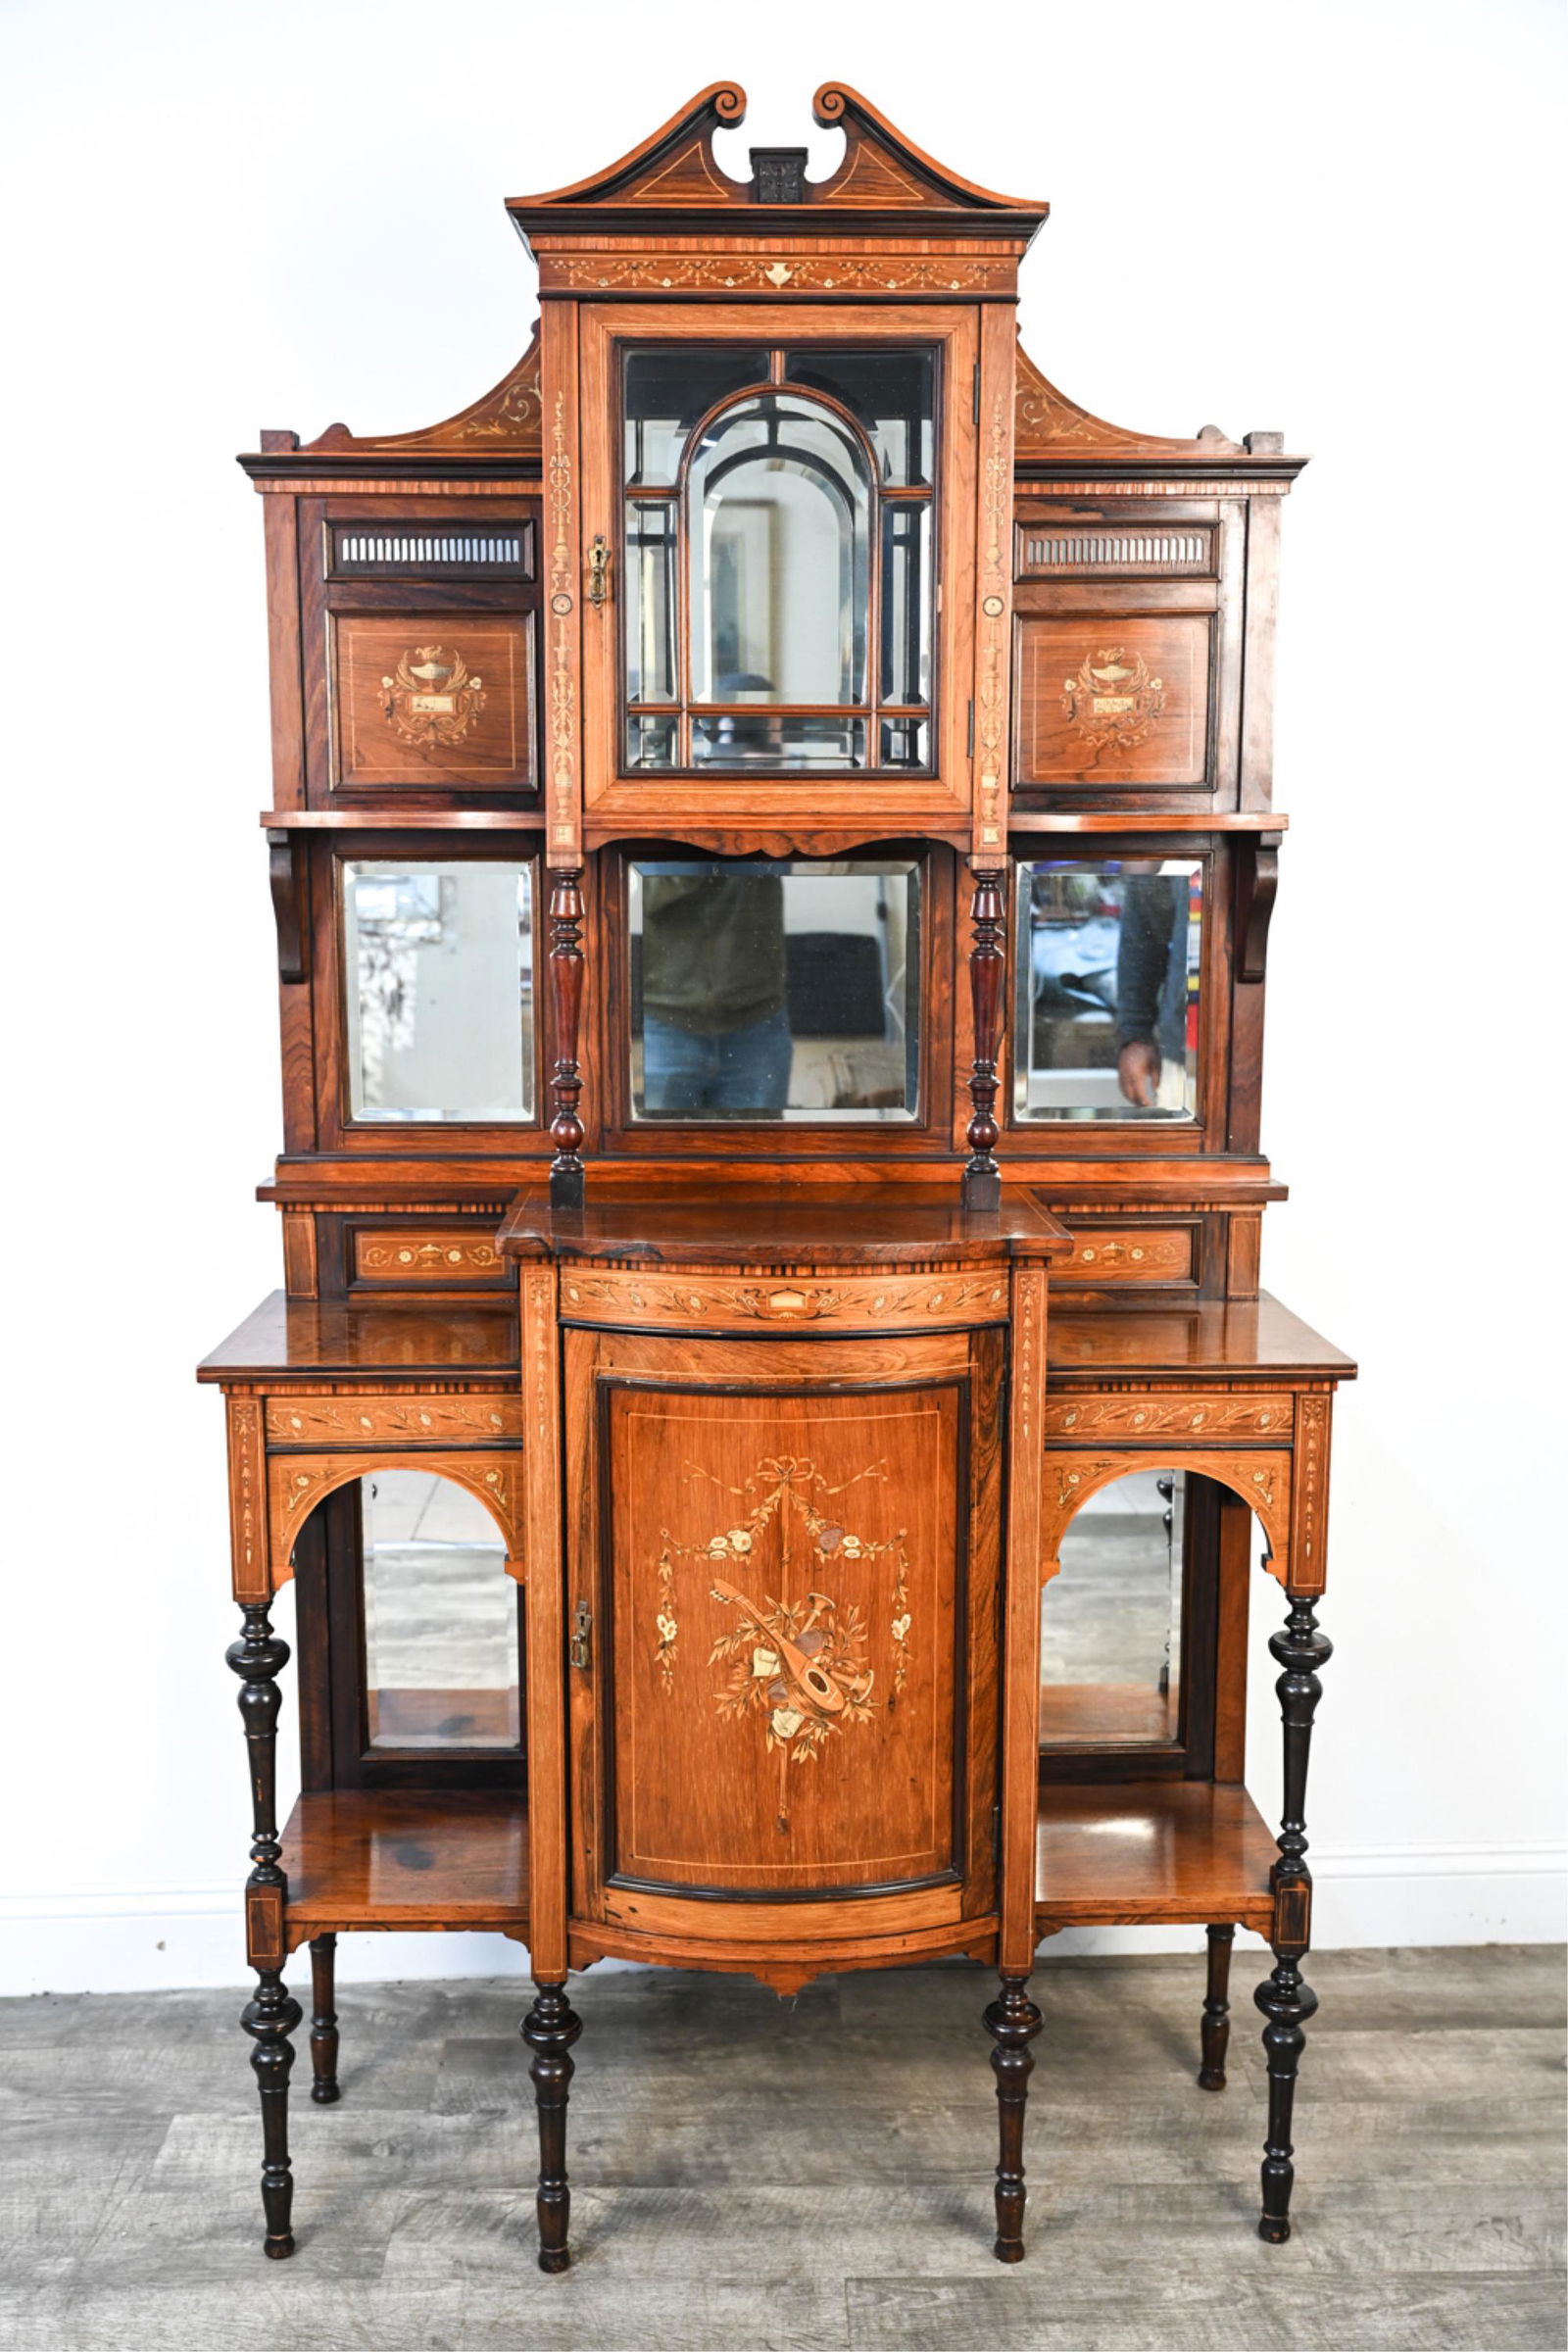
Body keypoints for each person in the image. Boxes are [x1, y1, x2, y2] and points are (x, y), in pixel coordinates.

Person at [639, 864, 793, 1115]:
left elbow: (784, 855)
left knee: (760, 1150)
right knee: (659, 1151)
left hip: (757, 1017)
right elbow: (631, 893)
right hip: (665, 1019)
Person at [1114, 866, 1193, 1110]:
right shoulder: (1182, 840)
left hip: (1251, 1046)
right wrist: (1136, 1036)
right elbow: (1143, 938)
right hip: (1183, 1055)